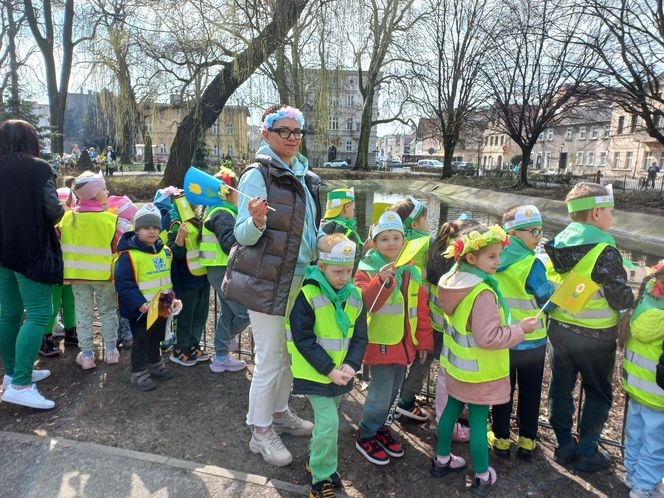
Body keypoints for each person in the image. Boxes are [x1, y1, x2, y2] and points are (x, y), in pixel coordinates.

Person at [222, 104, 321, 467]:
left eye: (297, 132)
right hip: (268, 281)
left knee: (285, 355)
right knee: (269, 358)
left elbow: (309, 228)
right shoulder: (258, 173)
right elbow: (241, 234)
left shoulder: (305, 175)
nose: (292, 137)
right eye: (284, 131)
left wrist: (326, 240)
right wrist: (257, 220)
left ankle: (280, 413)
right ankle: (259, 431)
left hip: (299, 278)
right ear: (266, 134)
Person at [431, 224, 539, 496]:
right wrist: (520, 330)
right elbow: (488, 338)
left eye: (498, 255)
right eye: (491, 257)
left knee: (450, 413)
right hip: (478, 372)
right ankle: (482, 476)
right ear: (470, 258)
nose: (498, 262)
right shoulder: (482, 293)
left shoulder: (453, 279)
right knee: (479, 423)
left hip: (456, 366)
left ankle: (441, 460)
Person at [545, 182, 634, 472]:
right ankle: (586, 451)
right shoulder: (604, 249)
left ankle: (563, 445)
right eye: (610, 210)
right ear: (596, 212)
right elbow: (620, 295)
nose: (612, 216)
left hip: (560, 329)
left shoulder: (558, 241)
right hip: (596, 337)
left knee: (560, 389)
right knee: (597, 393)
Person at [287, 234, 368, 498]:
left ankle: (316, 460)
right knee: (330, 423)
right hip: (316, 375)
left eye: (348, 271)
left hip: (339, 374)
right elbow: (303, 339)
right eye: (338, 271)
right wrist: (330, 370)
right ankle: (321, 476)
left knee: (326, 425)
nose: (344, 277)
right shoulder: (308, 294)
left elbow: (359, 336)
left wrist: (351, 365)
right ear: (321, 267)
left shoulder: (354, 295)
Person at [353, 211, 433, 466]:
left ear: (404, 240)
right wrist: (382, 281)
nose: (391, 243)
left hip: (403, 345)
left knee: (394, 392)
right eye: (384, 238)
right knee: (380, 392)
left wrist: (423, 342)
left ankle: (381, 427)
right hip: (381, 344)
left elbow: (420, 309)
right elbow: (364, 304)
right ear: (374, 243)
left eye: (396, 237)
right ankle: (366, 433)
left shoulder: (411, 270)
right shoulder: (367, 269)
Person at [0, 119, 62, 410]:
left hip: (2, 251)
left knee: (9, 313)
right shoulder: (39, 168)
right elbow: (53, 210)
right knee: (39, 313)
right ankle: (22, 382)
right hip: (31, 250)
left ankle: (13, 374)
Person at [490, 205, 554, 458]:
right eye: (533, 231)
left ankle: (501, 439)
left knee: (502, 391)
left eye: (540, 231)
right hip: (531, 342)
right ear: (514, 234)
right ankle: (527, 441)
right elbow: (545, 298)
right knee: (530, 392)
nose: (539, 237)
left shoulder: (492, 259)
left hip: (503, 338)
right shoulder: (532, 264)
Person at [115, 204, 181, 391]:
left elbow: (169, 278)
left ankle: (154, 363)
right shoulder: (129, 255)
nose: (151, 231)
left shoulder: (165, 251)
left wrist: (173, 299)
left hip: (162, 305)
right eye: (146, 228)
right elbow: (124, 283)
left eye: (155, 227)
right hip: (141, 309)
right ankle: (138, 372)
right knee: (141, 339)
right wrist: (140, 304)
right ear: (137, 230)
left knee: (156, 336)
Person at [59, 171, 121, 369]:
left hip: (77, 276)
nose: (107, 190)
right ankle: (111, 351)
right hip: (103, 276)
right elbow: (117, 245)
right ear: (94, 194)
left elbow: (57, 238)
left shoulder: (67, 219)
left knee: (83, 314)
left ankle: (86, 355)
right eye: (103, 188)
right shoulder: (109, 220)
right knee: (108, 311)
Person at [422, 215, 477, 438]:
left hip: (438, 329)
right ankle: (446, 422)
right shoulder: (456, 271)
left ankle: (454, 410)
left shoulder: (437, 260)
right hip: (450, 332)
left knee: (448, 376)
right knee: (447, 377)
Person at [622, 263, 664, 498]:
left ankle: (633, 476)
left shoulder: (643, 300)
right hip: (659, 395)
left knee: (635, 435)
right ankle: (644, 489)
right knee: (656, 446)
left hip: (636, 386)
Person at [201, 167, 248, 373]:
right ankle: (224, 343)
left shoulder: (219, 210)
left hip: (221, 269)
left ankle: (220, 356)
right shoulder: (222, 212)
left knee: (228, 312)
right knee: (244, 312)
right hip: (222, 270)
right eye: (239, 189)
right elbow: (229, 243)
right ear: (229, 191)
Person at [167, 196, 210, 366]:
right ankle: (179, 349)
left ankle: (193, 344)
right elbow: (173, 254)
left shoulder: (200, 222)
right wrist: (179, 238)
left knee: (200, 314)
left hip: (202, 277)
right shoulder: (177, 225)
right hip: (186, 280)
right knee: (185, 316)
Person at [39, 187, 79, 357]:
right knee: (52, 306)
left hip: (71, 271)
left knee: (71, 302)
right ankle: (46, 338)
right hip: (55, 272)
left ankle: (71, 331)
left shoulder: (75, 222)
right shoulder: (48, 226)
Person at [108, 195, 138, 349]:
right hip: (125, 270)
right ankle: (127, 335)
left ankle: (117, 335)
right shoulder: (125, 228)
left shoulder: (111, 223)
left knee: (115, 305)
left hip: (110, 270)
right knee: (125, 303)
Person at [319, 188, 365, 270]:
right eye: (353, 209)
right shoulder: (349, 233)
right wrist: (365, 250)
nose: (353, 212)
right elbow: (356, 265)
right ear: (346, 208)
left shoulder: (317, 227)